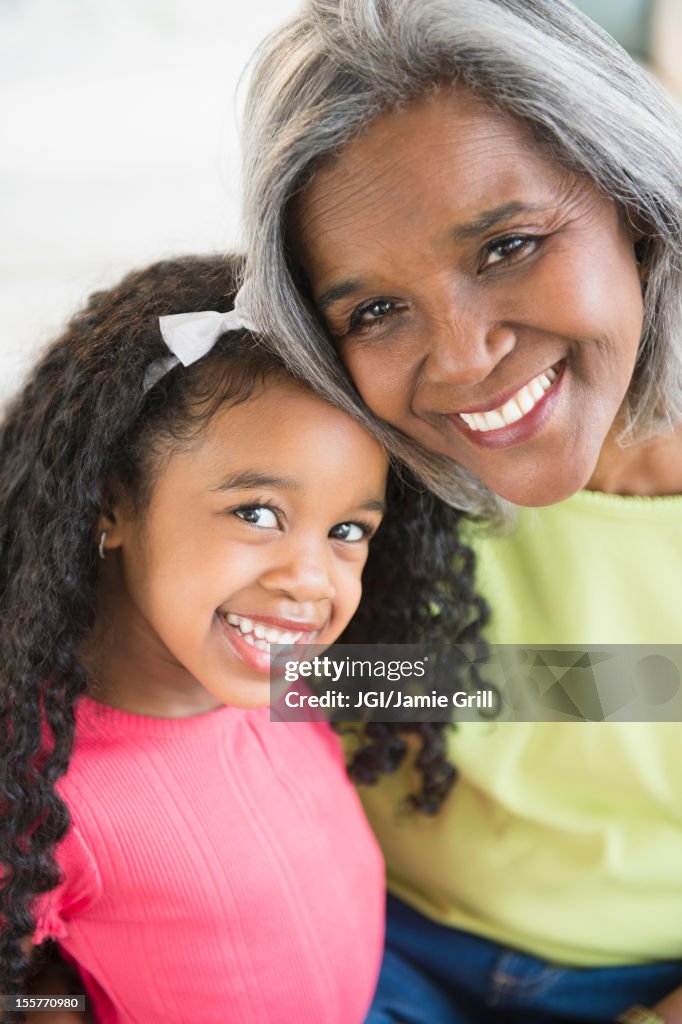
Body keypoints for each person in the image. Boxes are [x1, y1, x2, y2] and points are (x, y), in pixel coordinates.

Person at [239, 1, 682, 1021]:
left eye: (506, 247)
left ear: (635, 203)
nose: (461, 358)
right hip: (372, 939)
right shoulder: (344, 463)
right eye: (377, 311)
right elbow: (264, 684)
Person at [0, 252, 480, 1024]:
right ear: (109, 502)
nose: (310, 579)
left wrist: (652, 681)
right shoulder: (41, 791)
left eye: (349, 530)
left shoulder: (292, 678)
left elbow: (494, 682)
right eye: (258, 513)